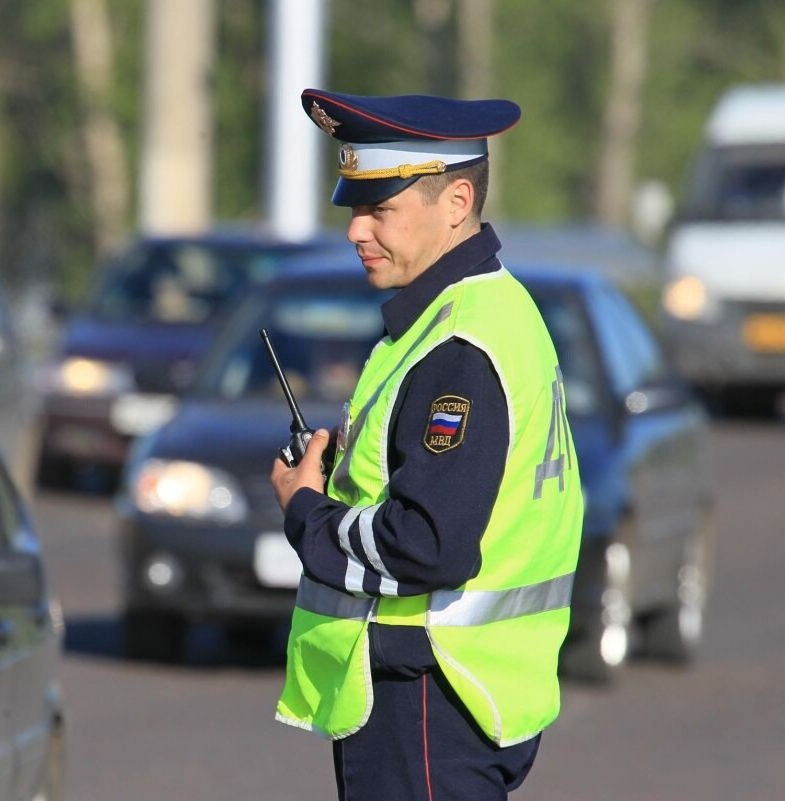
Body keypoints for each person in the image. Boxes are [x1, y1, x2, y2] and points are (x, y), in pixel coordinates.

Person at [269, 89, 584, 800]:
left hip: (430, 696)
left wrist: (306, 511)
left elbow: (428, 543)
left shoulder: (458, 346)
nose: (355, 230)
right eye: (354, 207)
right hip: (456, 697)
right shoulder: (480, 310)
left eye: (380, 209)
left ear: (456, 200)